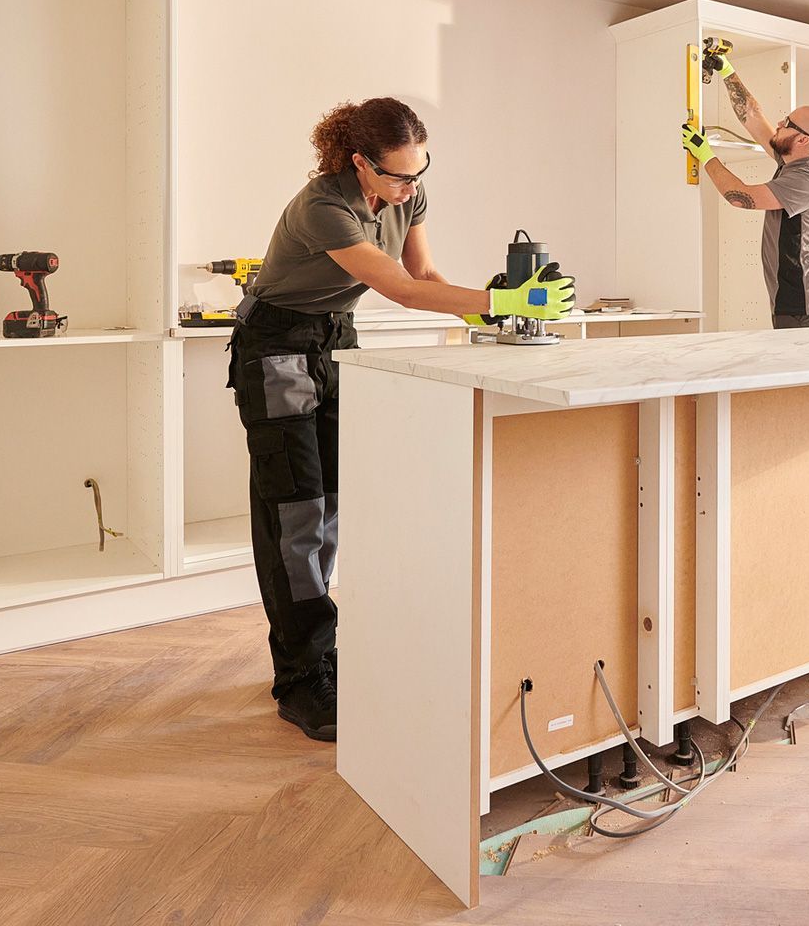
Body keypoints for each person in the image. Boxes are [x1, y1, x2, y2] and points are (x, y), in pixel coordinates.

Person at [231, 97, 574, 741]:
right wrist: (503, 298)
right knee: (292, 511)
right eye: (397, 174)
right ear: (360, 162)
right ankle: (300, 680)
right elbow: (401, 289)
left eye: (420, 172)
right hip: (275, 346)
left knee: (331, 504)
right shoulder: (322, 207)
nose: (411, 187)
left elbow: (428, 273)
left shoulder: (407, 198)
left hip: (336, 339)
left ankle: (320, 654)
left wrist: (489, 312)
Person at [679, 56, 809, 328]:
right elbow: (753, 116)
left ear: (802, 139)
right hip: (797, 305)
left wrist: (705, 154)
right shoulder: (791, 160)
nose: (779, 123)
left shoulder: (807, 179)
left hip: (808, 310)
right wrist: (726, 70)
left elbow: (740, 197)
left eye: (787, 123)